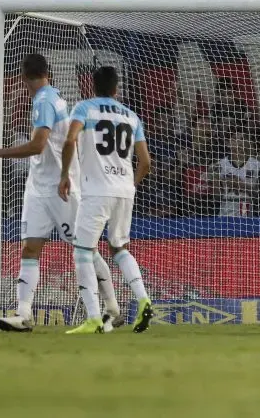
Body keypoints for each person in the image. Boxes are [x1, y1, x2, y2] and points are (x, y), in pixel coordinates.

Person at [0, 54, 121, 332]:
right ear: (48, 73)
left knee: (85, 249)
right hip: (38, 187)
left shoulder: (45, 101)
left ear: (22, 77)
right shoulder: (52, 96)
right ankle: (23, 314)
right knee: (30, 247)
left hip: (61, 189)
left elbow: (37, 146)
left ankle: (112, 308)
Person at [60, 66, 154, 334]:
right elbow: (146, 162)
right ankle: (143, 298)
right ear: (116, 89)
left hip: (97, 191)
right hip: (125, 191)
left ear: (92, 86)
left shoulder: (84, 108)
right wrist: (129, 184)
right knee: (120, 248)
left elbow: (70, 141)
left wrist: (65, 174)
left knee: (82, 251)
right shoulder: (132, 117)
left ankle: (92, 318)